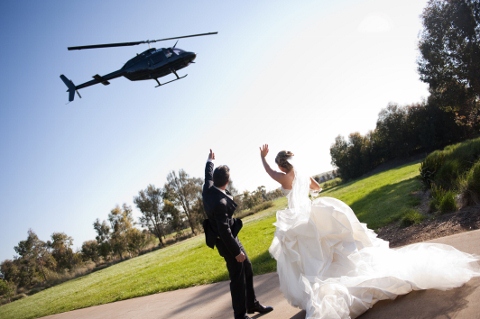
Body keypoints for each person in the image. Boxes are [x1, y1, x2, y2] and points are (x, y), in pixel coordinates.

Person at [259, 144, 480, 319]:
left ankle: (321, 288)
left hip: (300, 220)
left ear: (281, 166)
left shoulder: (281, 176)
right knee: (331, 249)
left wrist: (263, 157)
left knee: (310, 255)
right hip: (312, 212)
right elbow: (316, 187)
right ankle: (336, 279)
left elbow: (268, 171)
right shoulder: (302, 175)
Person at [202, 149, 273, 319]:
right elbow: (224, 231)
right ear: (226, 182)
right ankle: (240, 315)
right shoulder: (219, 202)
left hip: (230, 238)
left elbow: (207, 175)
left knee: (247, 267)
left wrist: (209, 161)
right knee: (237, 277)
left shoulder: (208, 188)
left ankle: (252, 304)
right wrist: (236, 252)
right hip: (226, 242)